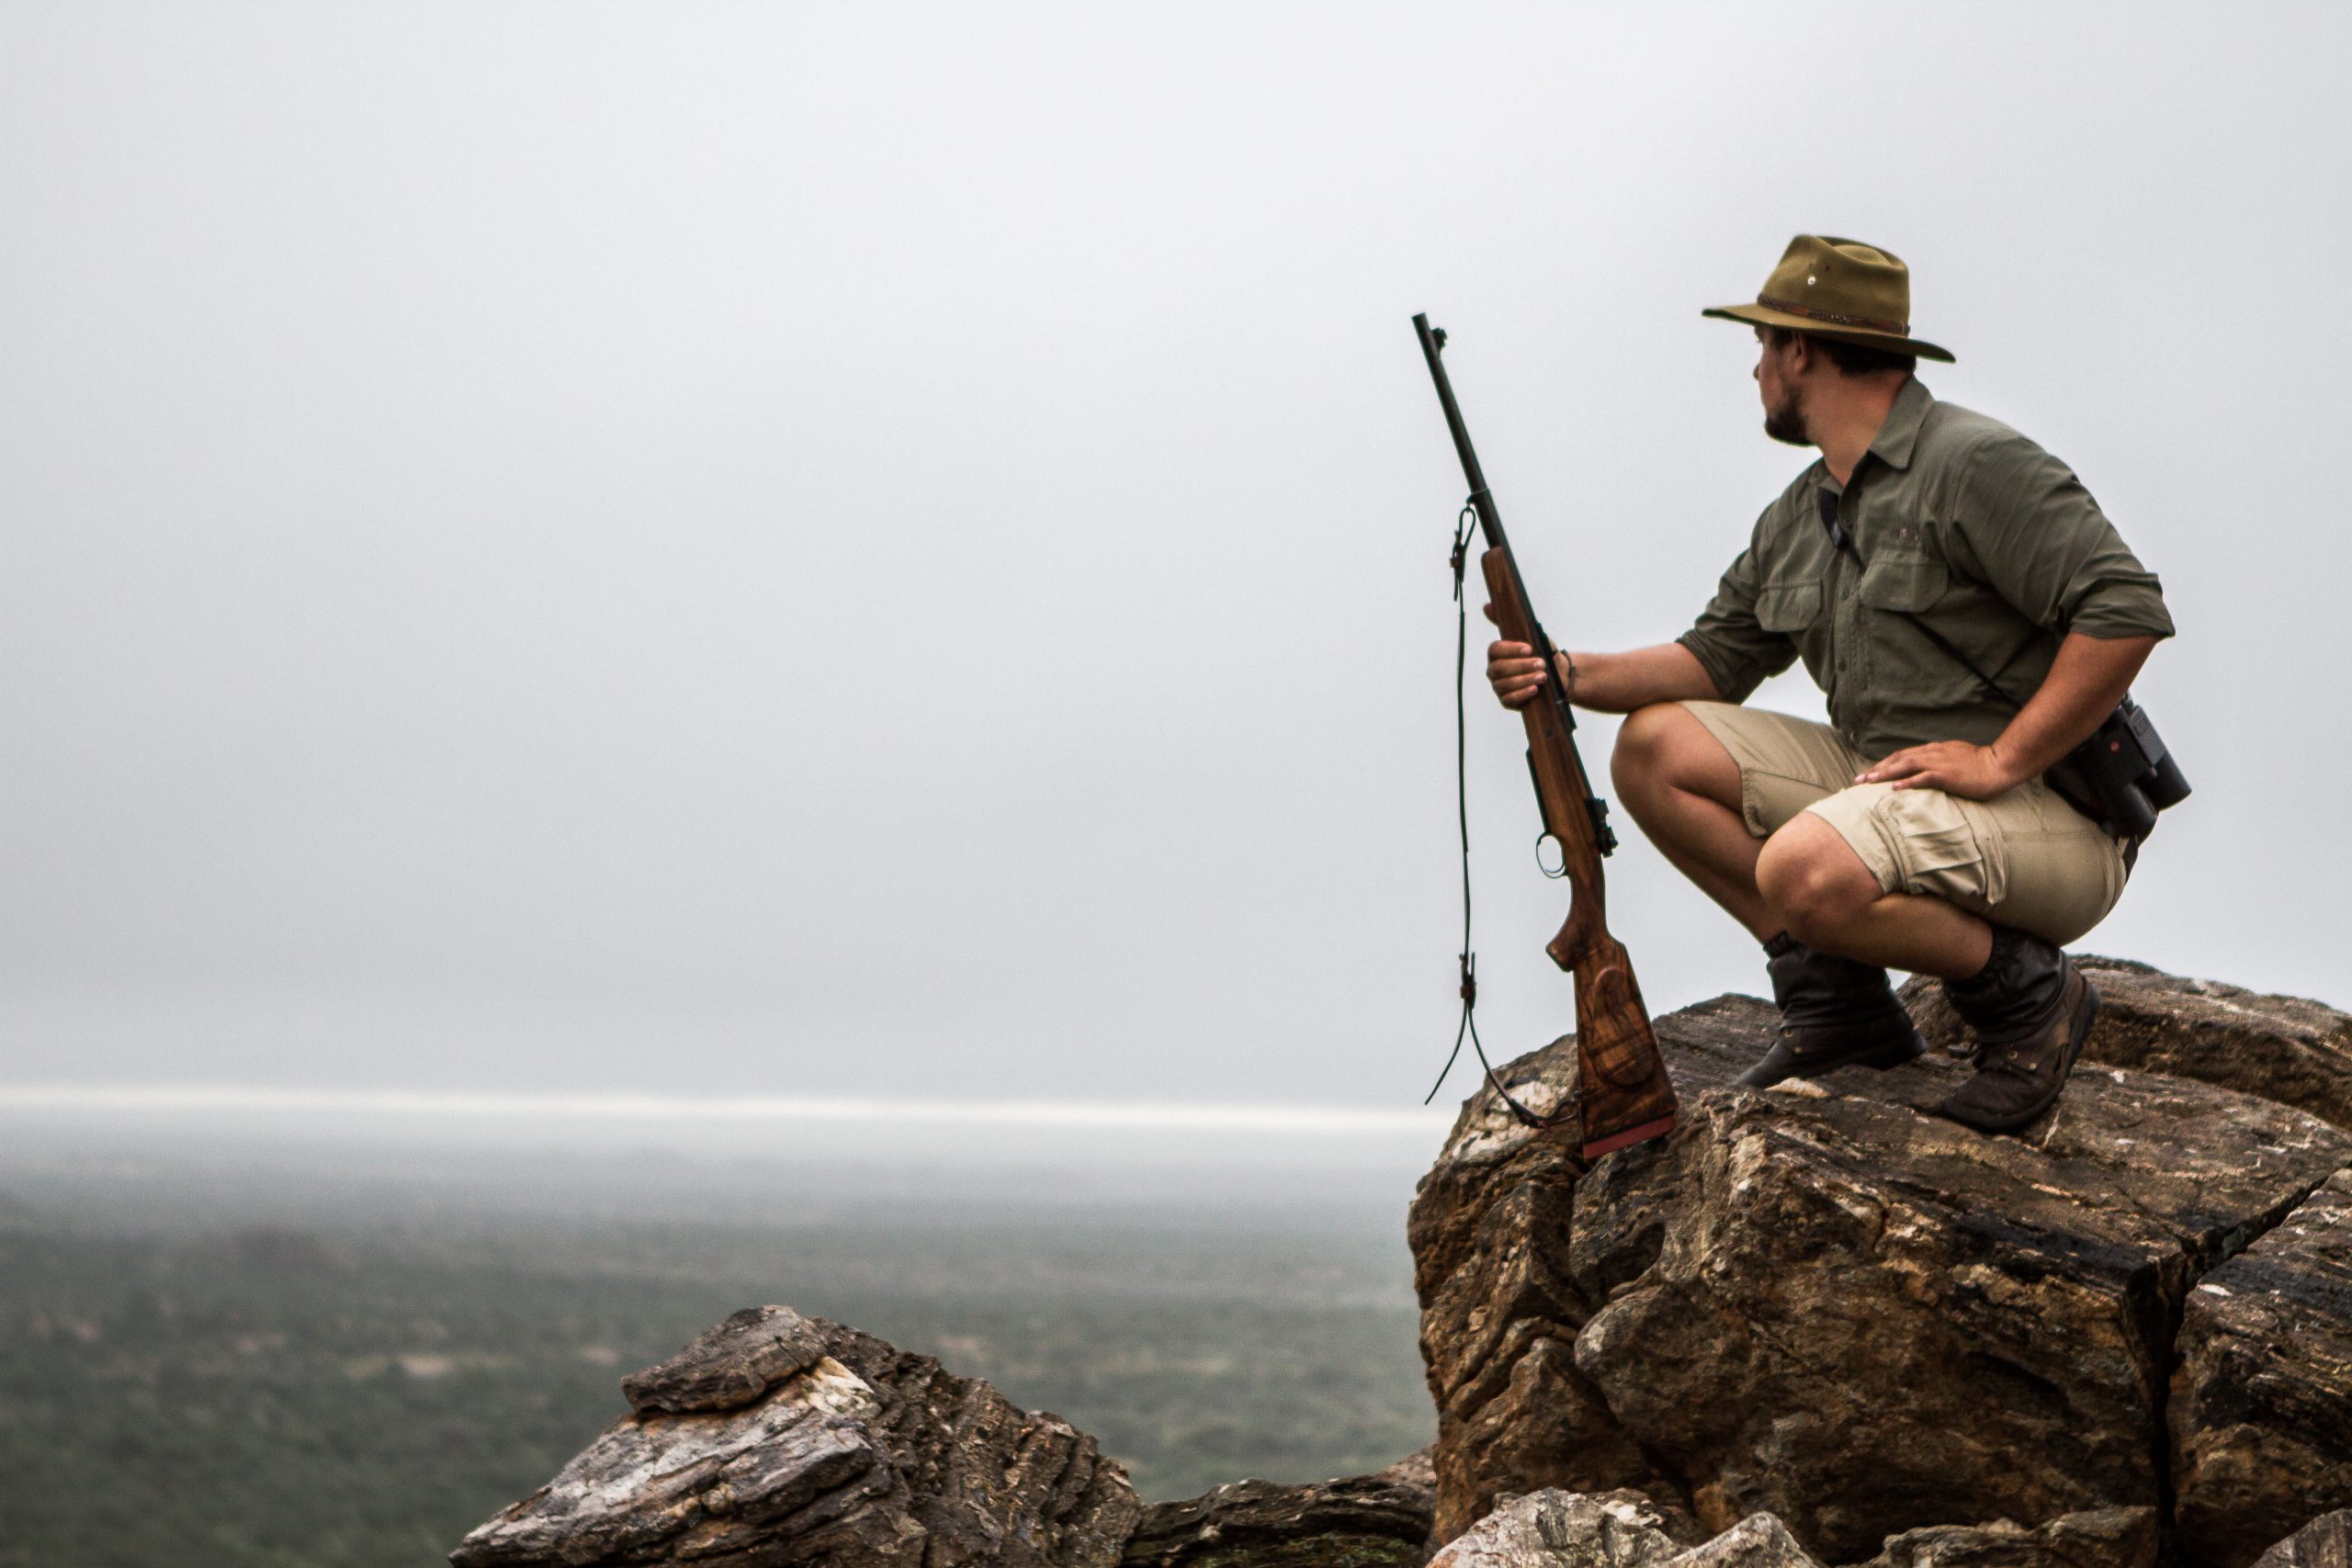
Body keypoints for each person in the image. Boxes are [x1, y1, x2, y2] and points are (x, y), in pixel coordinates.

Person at [1487, 234, 2173, 1134]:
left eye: (1763, 346)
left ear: (1800, 351)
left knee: (1806, 865)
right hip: (1891, 791)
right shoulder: (1800, 511)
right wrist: (1562, 671)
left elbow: (2126, 608)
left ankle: (2029, 998)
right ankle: (1841, 1008)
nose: (1756, 370)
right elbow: (1713, 660)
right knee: (1655, 747)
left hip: (2050, 821)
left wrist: (2001, 758)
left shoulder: (1972, 464)